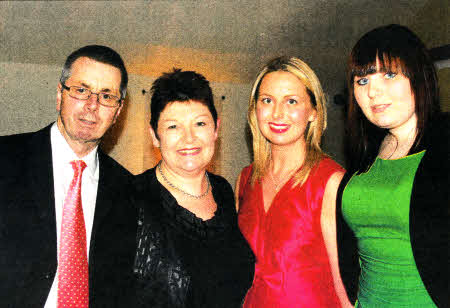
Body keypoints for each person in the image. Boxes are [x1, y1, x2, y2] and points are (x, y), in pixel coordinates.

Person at [0, 45, 137, 307]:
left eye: (107, 96)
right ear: (59, 95)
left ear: (118, 112)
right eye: (81, 90)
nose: (92, 105)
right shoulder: (5, 159)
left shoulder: (128, 190)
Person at [337, 24, 449, 308]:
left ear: (419, 77)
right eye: (362, 80)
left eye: (389, 74)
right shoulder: (364, 154)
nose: (373, 91)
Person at [132, 69, 254, 308]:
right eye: (173, 127)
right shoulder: (132, 197)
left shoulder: (223, 191)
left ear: (216, 128)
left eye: (200, 123)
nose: (189, 138)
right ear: (155, 136)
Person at [236, 56, 348, 307]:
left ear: (313, 112)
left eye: (292, 101)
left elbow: (345, 287)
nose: (277, 113)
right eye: (267, 100)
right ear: (255, 109)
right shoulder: (245, 179)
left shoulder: (331, 181)